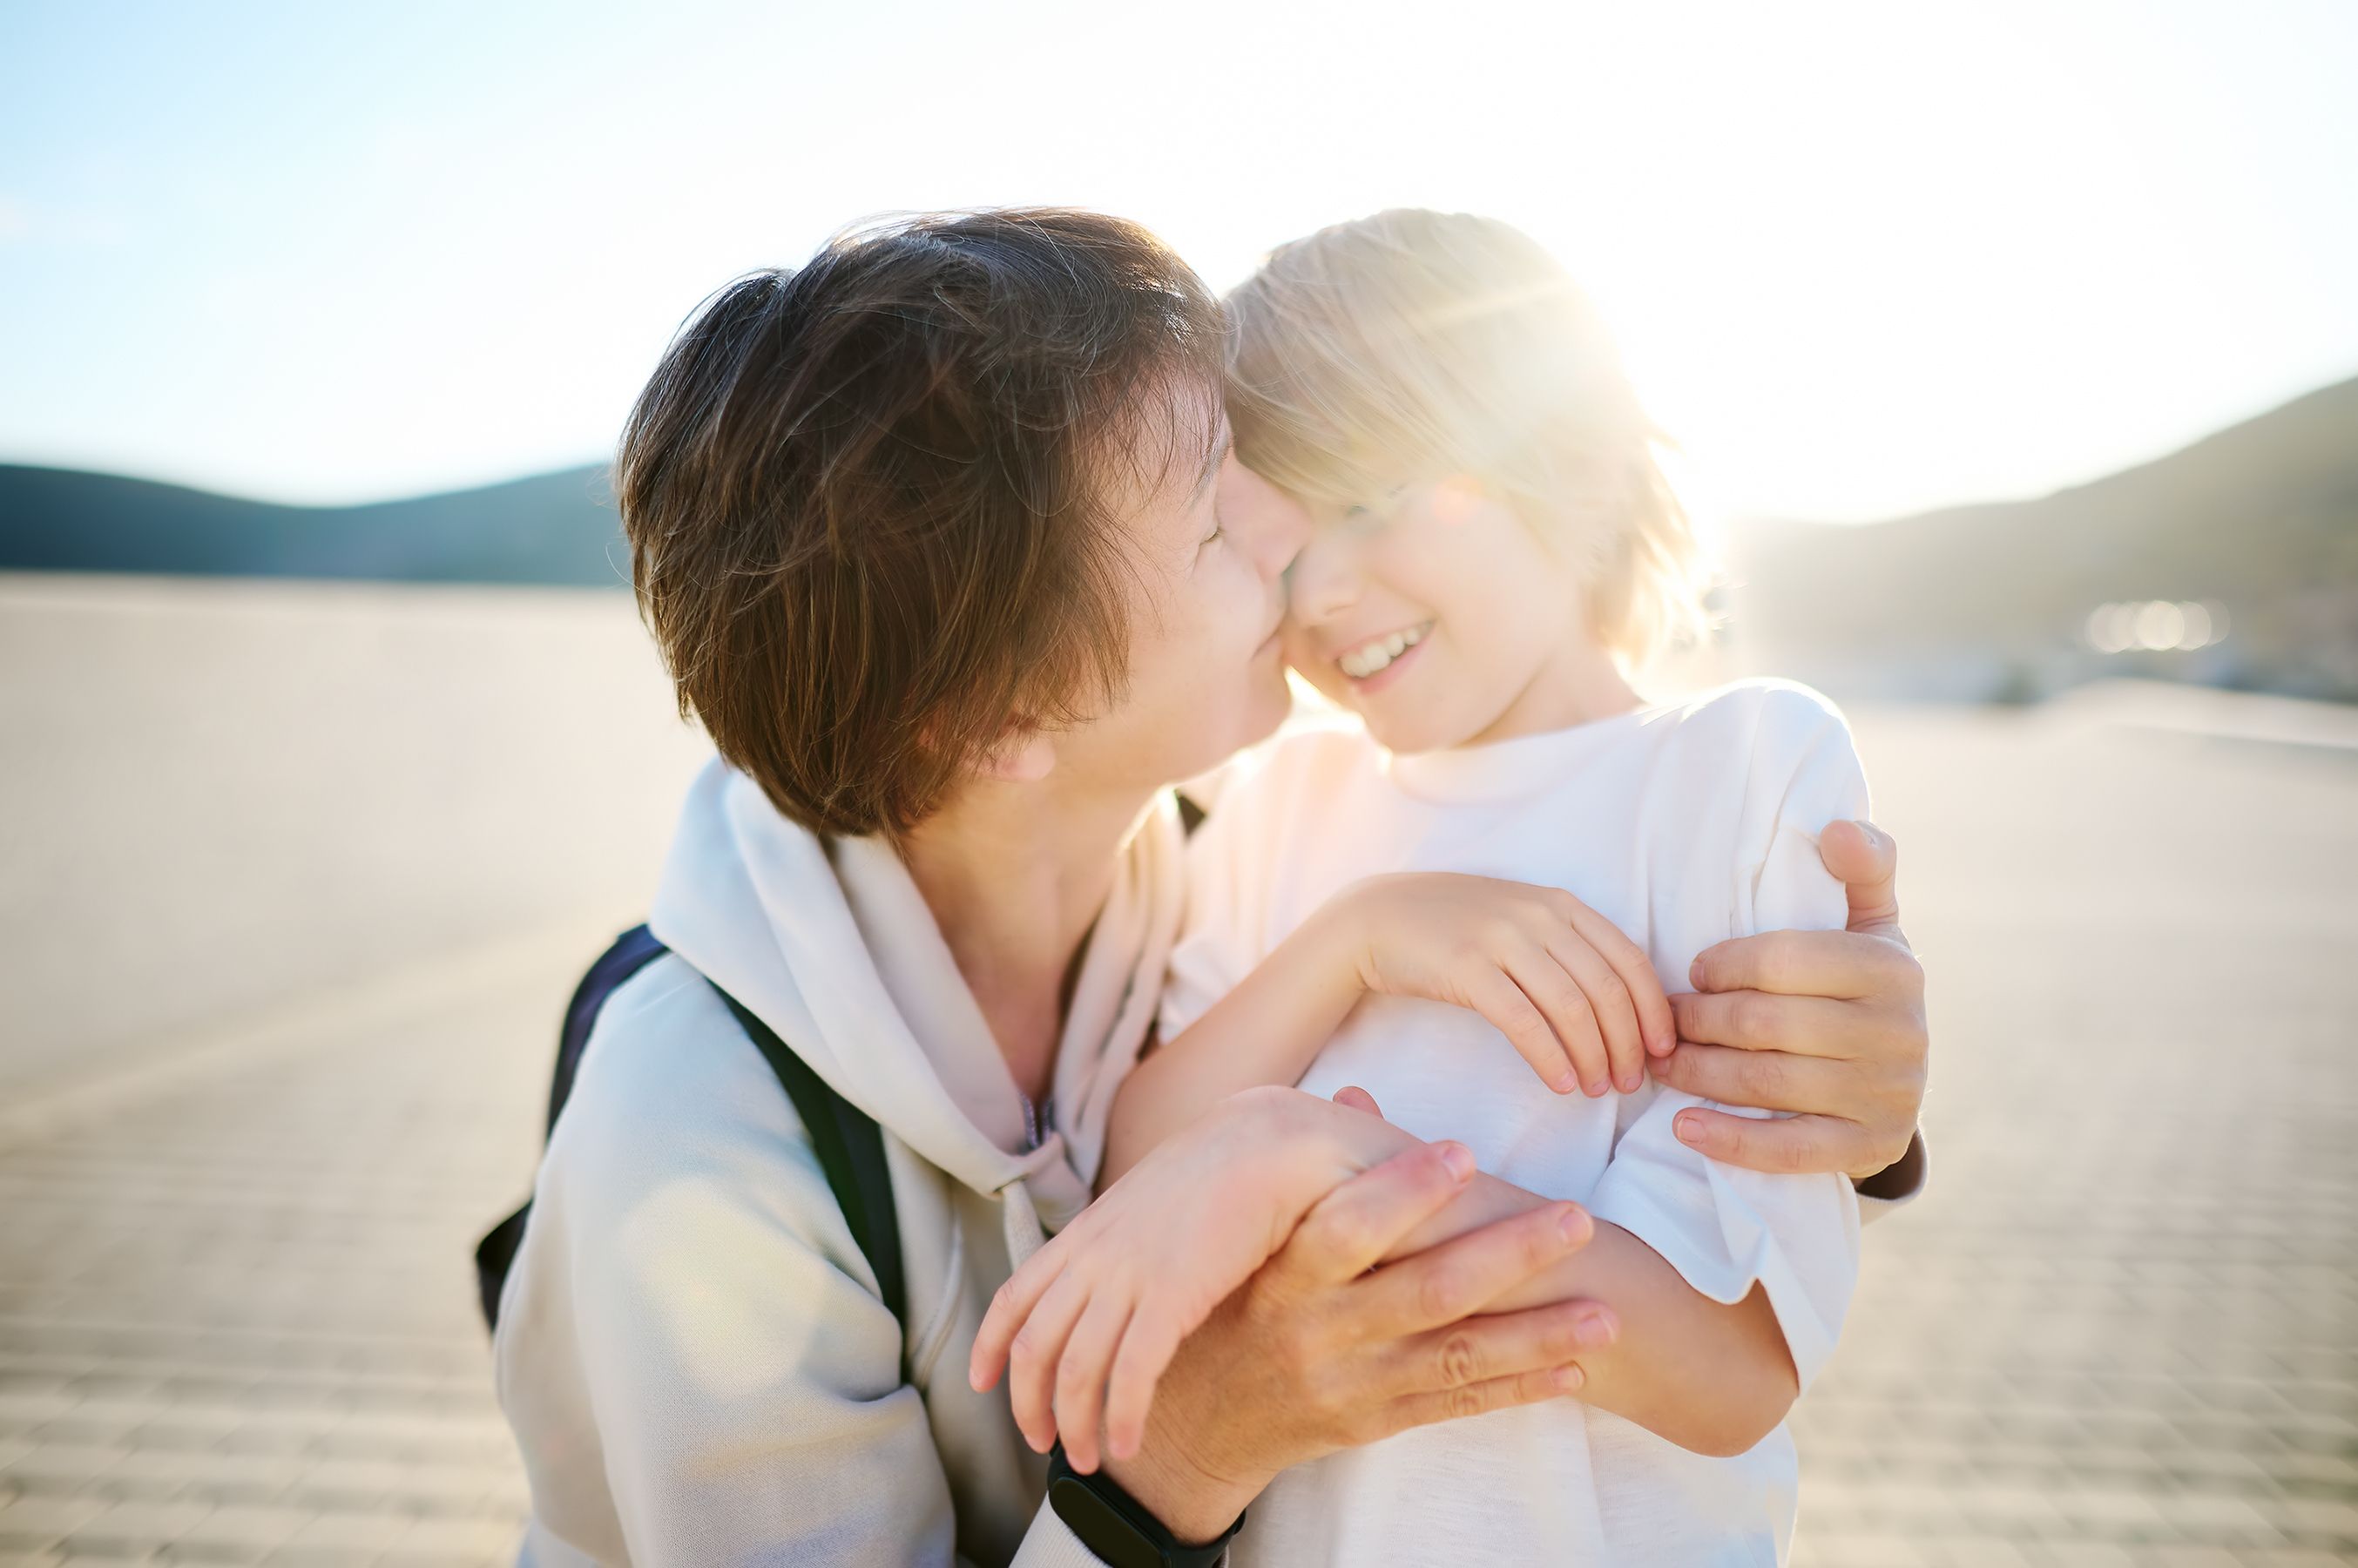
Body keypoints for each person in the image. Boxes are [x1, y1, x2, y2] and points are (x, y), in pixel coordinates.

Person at [490, 208, 1929, 1566]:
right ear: (1004, 724)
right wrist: (1206, 1399)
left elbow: (1727, 1327)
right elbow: (1179, 1156)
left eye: (1314, 499)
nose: (1300, 581)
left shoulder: (1205, 842)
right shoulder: (697, 1138)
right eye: (1232, 528)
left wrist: (1859, 1113)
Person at [973, 209, 1888, 1565]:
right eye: (1271, 550)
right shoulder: (1285, 802)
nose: (1325, 592)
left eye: (1368, 500)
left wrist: (1320, 1156)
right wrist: (1355, 943)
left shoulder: (1739, 773)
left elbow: (1728, 1366)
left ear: (1558, 453)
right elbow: (1140, 1182)